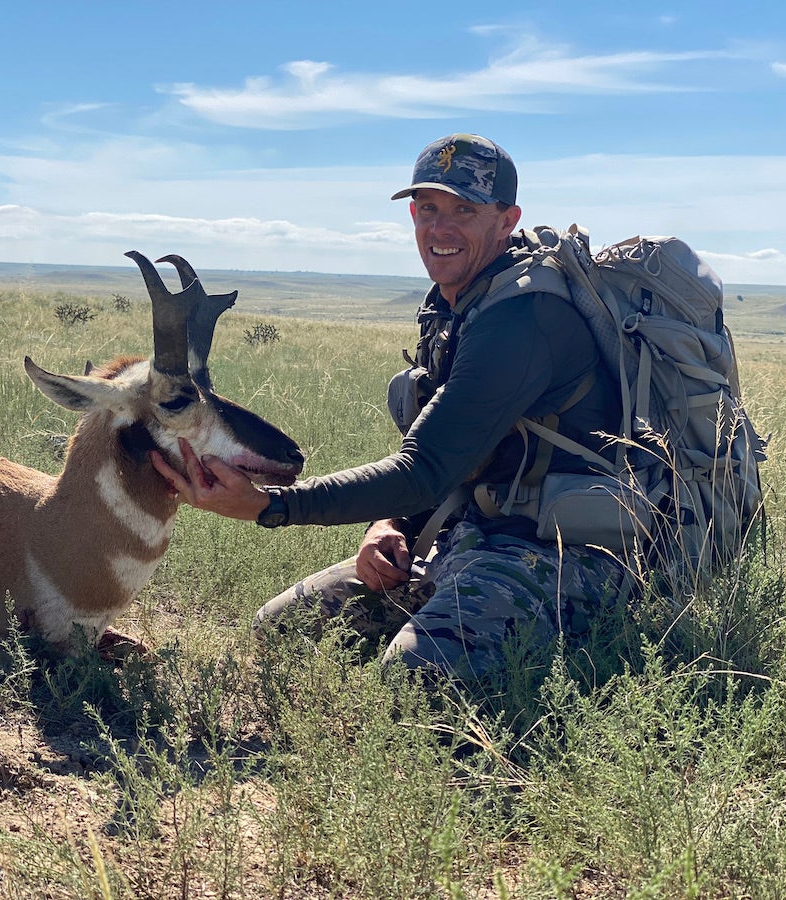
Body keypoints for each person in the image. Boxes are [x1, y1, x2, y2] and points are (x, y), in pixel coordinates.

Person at [151, 133, 627, 681]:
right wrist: (388, 523)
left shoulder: (524, 318)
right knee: (280, 630)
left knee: (410, 681)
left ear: (506, 220)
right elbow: (445, 451)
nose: (440, 229)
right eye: (428, 208)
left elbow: (422, 470)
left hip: (560, 553)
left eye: (464, 210)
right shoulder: (456, 302)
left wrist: (270, 505)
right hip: (466, 531)